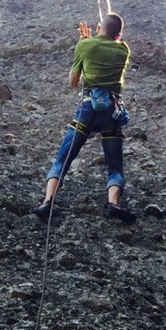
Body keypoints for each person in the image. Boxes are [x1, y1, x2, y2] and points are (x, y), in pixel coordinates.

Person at [35, 14, 136, 224]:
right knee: (114, 165)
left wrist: (83, 43)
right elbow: (112, 42)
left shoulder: (85, 46)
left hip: (88, 108)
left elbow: (73, 82)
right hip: (111, 110)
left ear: (99, 28)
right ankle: (113, 203)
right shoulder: (123, 49)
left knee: (63, 158)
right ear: (119, 34)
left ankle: (48, 201)